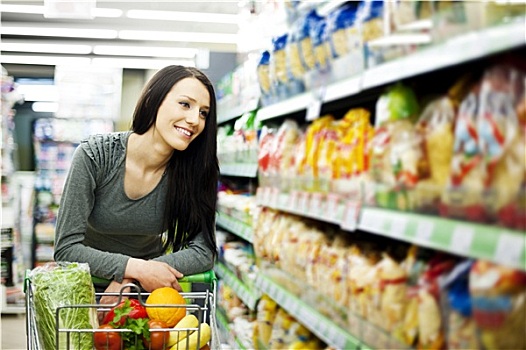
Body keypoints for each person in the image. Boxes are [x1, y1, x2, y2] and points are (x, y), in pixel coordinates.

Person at [53, 65, 219, 304]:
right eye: (185, 104)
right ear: (154, 99)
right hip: (86, 288)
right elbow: (66, 248)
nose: (194, 120)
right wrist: (134, 269)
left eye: (204, 113)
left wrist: (136, 276)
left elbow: (204, 252)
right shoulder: (95, 156)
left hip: (149, 290)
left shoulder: (194, 171)